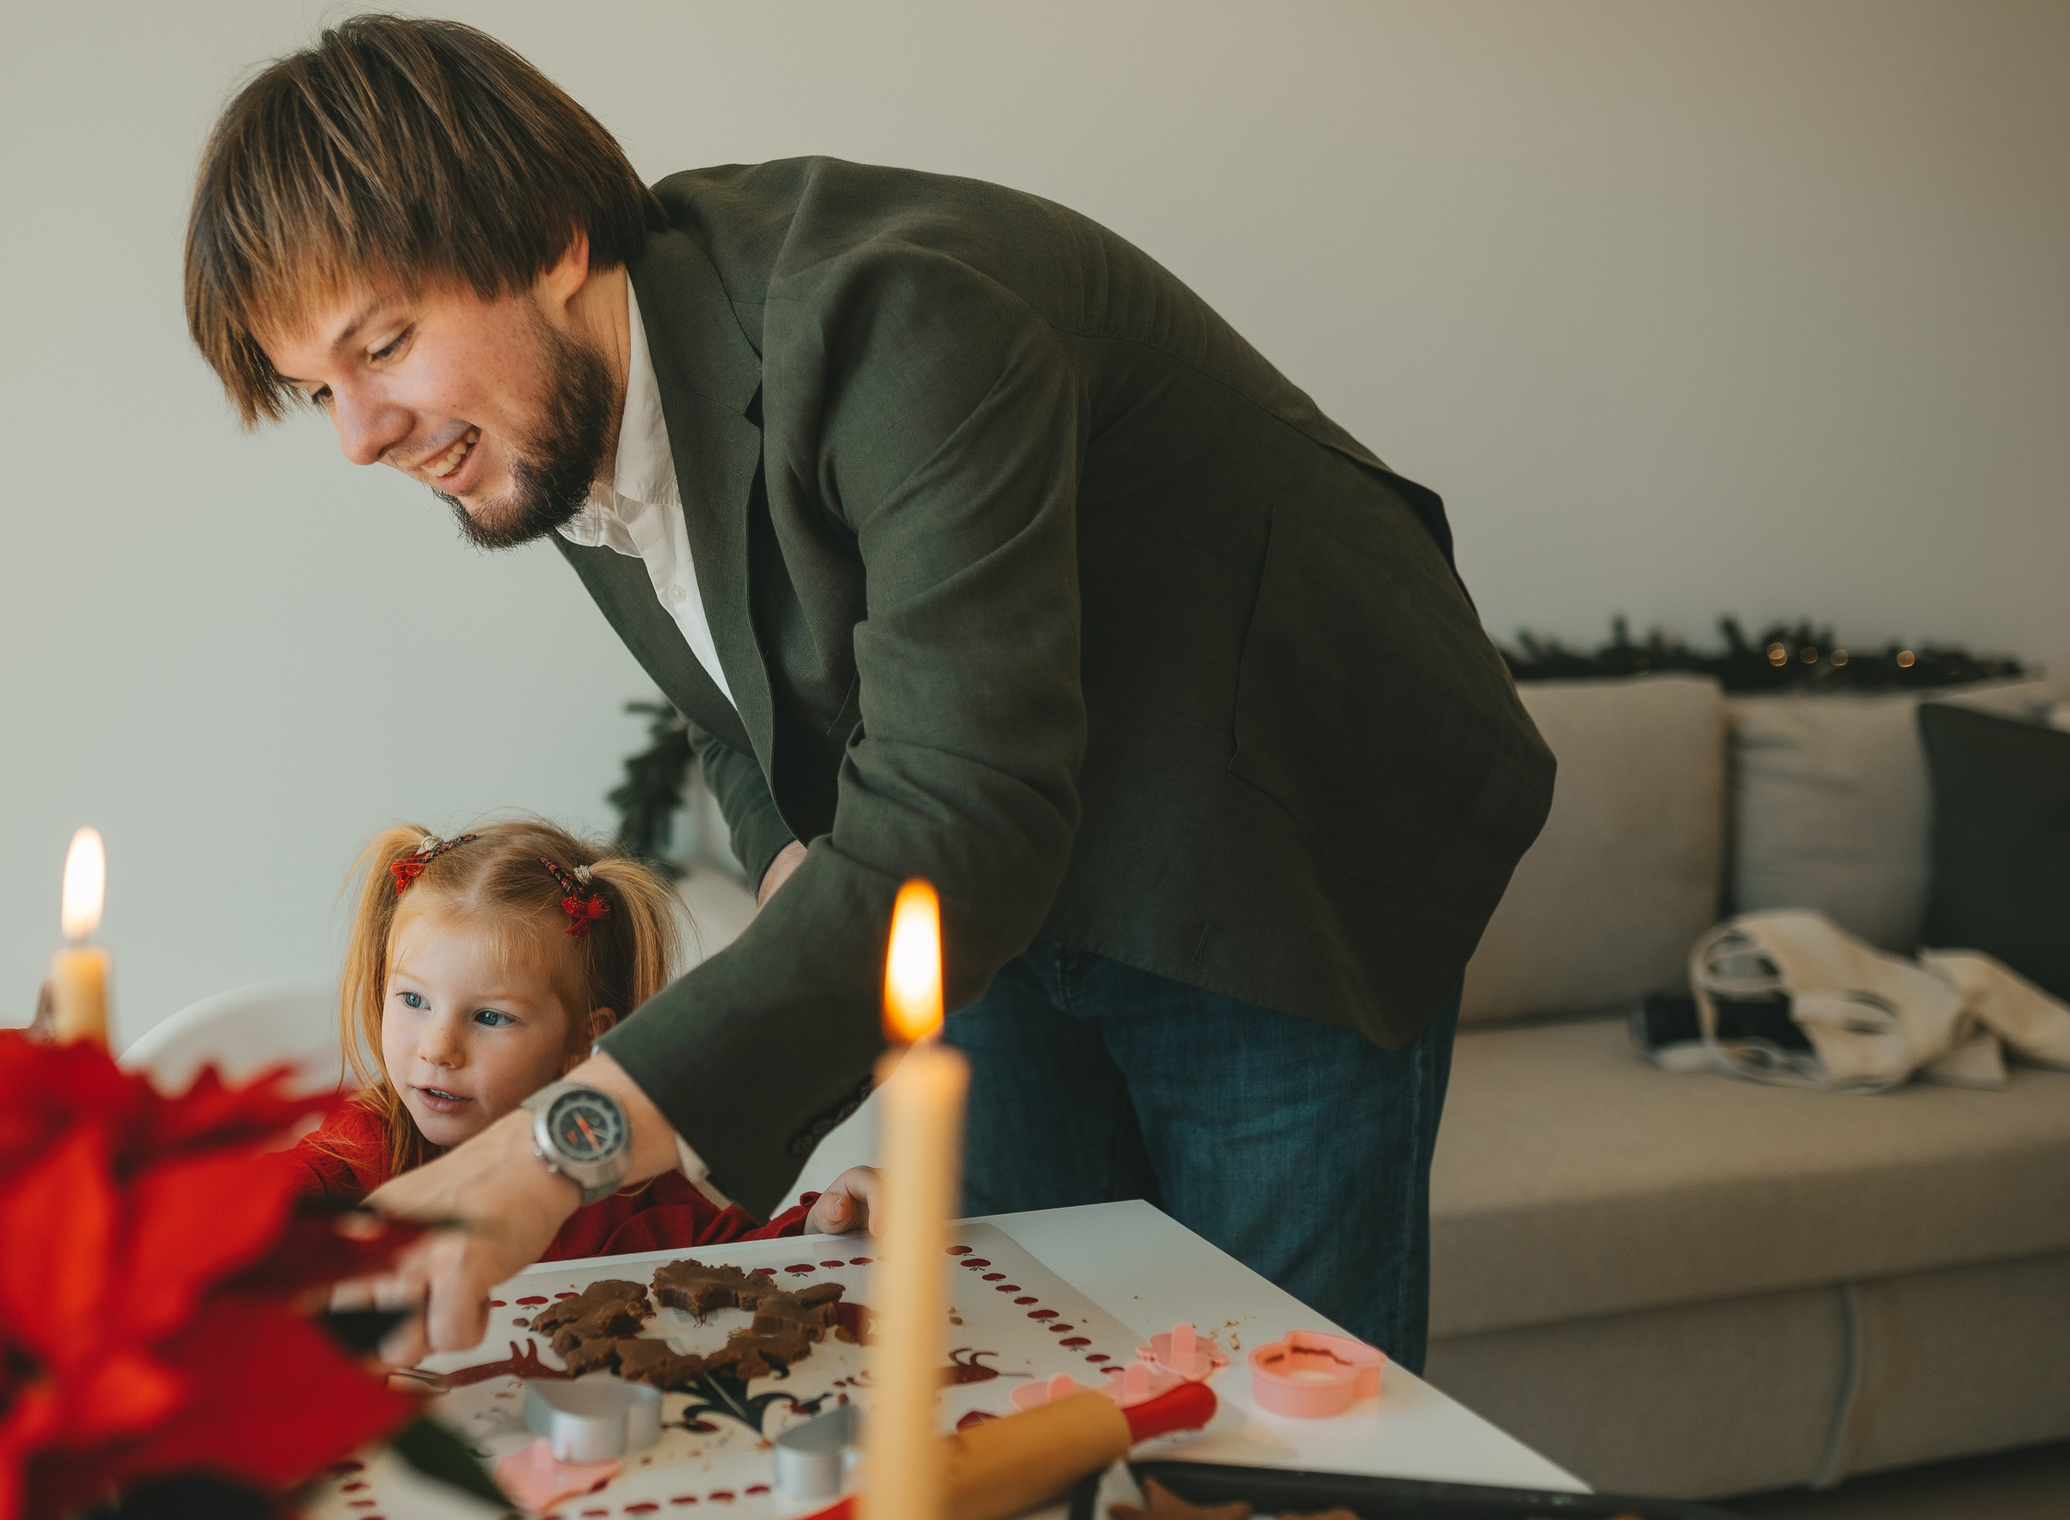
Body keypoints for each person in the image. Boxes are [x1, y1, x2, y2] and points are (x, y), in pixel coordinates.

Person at [182, 18, 1554, 1371]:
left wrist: (552, 1148)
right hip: (1010, 874)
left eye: (383, 346)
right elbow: (735, 712)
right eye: (318, 390)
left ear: (550, 242)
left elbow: (958, 820)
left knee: (1273, 1425)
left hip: (1278, 828)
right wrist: (791, 860)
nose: (360, 437)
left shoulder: (897, 312)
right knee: (1046, 1357)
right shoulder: (546, 422)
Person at [300, 818, 882, 1256]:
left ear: (584, 1039)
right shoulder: (363, 1148)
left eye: (490, 1018)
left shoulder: (629, 1190)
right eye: (413, 1001)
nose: (436, 1048)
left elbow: (738, 1265)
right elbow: (263, 1202)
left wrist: (815, 1228)